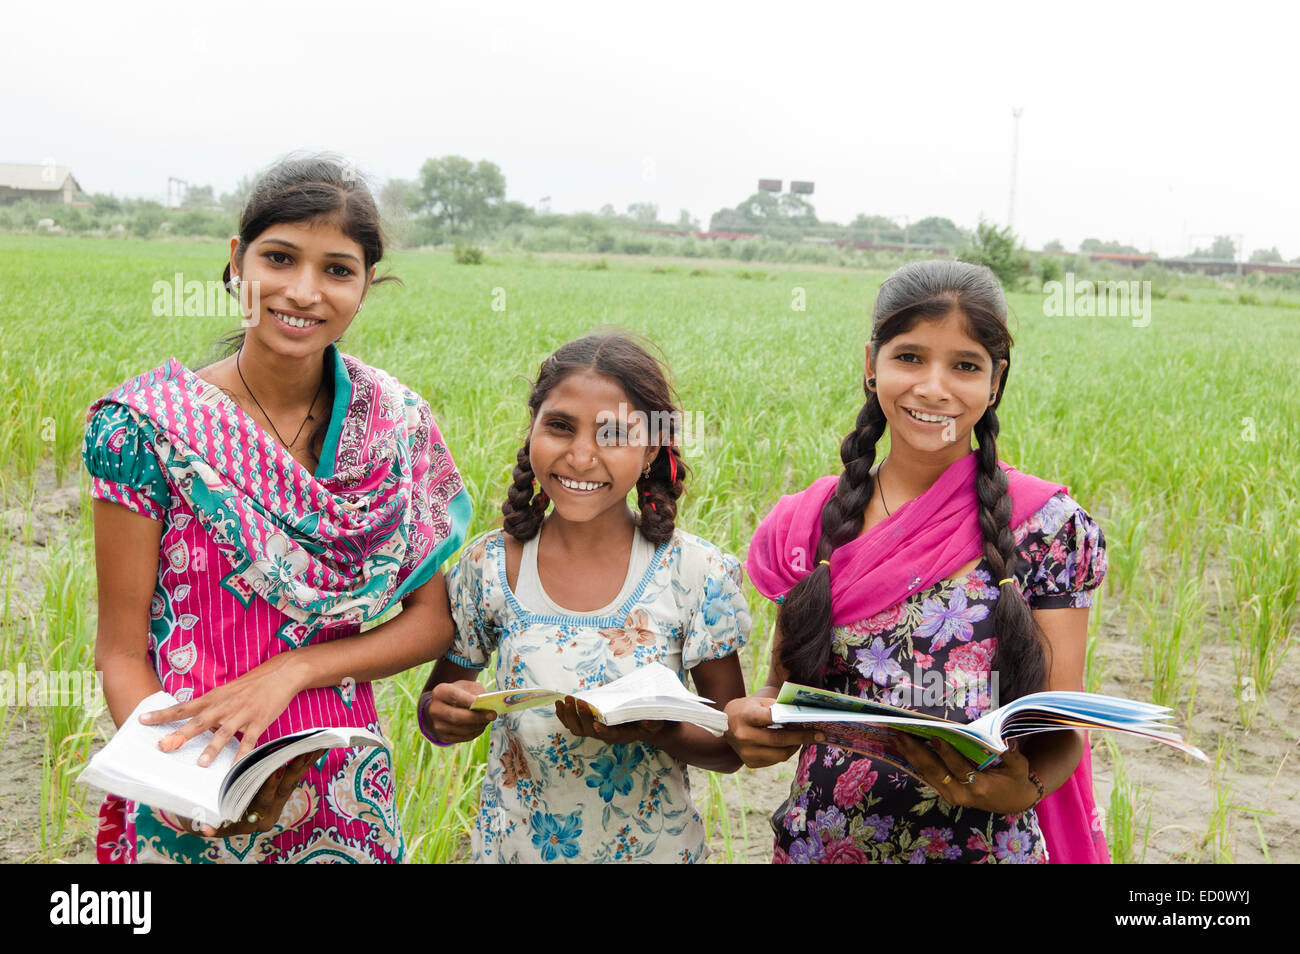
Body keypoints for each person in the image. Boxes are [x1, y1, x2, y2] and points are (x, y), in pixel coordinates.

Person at [84, 155, 471, 864]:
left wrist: (294, 670)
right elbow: (119, 649)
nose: (303, 291)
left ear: (366, 286)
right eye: (280, 258)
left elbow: (430, 621)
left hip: (342, 784)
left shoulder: (398, 426)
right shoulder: (144, 426)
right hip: (189, 768)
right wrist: (180, 778)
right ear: (237, 262)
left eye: (337, 269)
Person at [726, 260, 1109, 864]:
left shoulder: (1047, 527)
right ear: (870, 363)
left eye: (964, 365)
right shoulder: (808, 522)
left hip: (982, 847)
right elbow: (783, 689)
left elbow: (1062, 726)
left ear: (995, 379)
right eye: (909, 358)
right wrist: (755, 723)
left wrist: (1024, 787)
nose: (934, 387)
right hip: (822, 845)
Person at [419, 333, 749, 863]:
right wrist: (443, 716)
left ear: (650, 453)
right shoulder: (490, 566)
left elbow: (731, 745)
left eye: (614, 434)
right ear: (533, 431)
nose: (580, 455)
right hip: (512, 850)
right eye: (560, 426)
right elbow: (438, 704)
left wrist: (658, 728)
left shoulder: (695, 573)